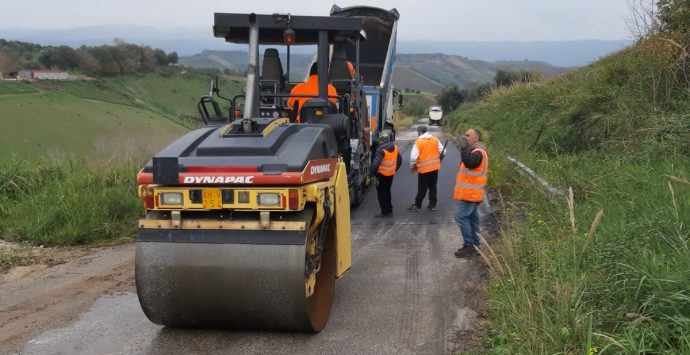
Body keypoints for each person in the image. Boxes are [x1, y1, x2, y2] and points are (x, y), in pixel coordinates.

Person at [453, 128, 489, 258]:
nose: (465, 136)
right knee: (473, 219)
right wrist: (465, 149)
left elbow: (470, 163)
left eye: (468, 135)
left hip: (471, 194)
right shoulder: (475, 151)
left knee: (461, 217)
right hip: (472, 193)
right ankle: (475, 245)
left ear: (476, 138)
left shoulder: (479, 152)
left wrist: (463, 148)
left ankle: (469, 246)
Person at [408, 125, 445, 212]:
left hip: (424, 169)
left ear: (419, 132)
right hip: (435, 168)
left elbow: (413, 158)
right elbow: (444, 151)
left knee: (422, 187)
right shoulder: (435, 139)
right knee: (433, 186)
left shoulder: (419, 142)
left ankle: (418, 204)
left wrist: (412, 167)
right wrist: (439, 158)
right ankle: (432, 205)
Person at [370, 131, 402, 218]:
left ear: (381, 140)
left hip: (382, 175)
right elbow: (399, 160)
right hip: (390, 174)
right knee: (387, 192)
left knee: (381, 194)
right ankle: (389, 210)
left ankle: (385, 212)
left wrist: (372, 175)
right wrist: (394, 170)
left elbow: (375, 164)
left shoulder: (381, 150)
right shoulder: (394, 147)